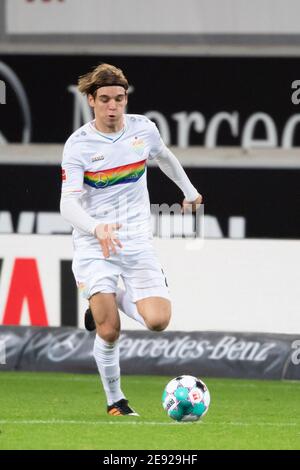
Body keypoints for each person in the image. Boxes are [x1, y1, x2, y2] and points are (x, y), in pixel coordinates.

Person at [60, 63, 202, 416]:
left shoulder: (143, 129)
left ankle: (103, 303)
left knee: (157, 322)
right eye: (105, 99)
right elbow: (67, 203)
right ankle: (116, 402)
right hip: (95, 243)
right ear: (91, 100)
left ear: (126, 99)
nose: (113, 106)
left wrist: (188, 190)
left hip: (137, 241)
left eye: (119, 99)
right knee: (109, 331)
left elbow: (164, 156)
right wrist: (97, 228)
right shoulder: (78, 145)